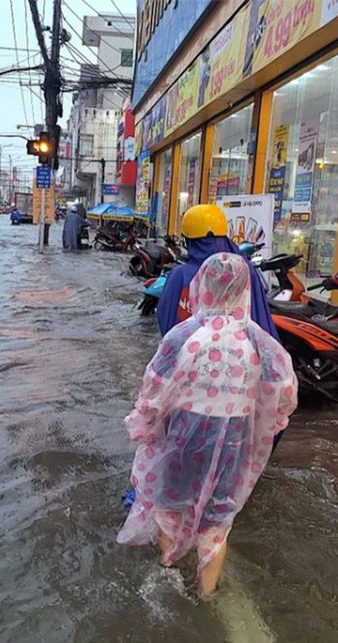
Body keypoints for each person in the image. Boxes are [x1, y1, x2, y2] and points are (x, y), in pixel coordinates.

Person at [118, 253, 298, 597]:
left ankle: (168, 569)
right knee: (216, 521)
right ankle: (206, 594)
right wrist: (269, 422)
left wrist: (144, 425)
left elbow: (153, 388)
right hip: (233, 436)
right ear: (245, 289)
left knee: (170, 504)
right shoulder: (260, 342)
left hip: (183, 432)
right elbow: (283, 392)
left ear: (202, 286)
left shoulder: (184, 334)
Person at [157, 204, 278, 340]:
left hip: (191, 350)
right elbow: (260, 316)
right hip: (240, 349)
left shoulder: (180, 275)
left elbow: (166, 319)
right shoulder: (244, 270)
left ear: (188, 240)